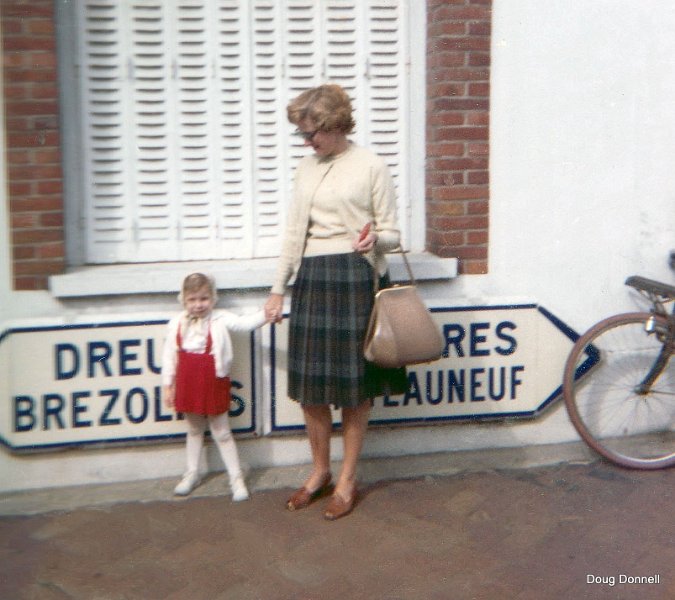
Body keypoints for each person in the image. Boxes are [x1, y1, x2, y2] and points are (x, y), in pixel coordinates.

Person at [264, 83, 407, 520]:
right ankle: (319, 472)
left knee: (353, 390)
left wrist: (373, 239)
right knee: (311, 390)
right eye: (302, 136)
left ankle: (347, 478)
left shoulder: (371, 165)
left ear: (335, 125)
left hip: (354, 277)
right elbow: (294, 232)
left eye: (313, 134)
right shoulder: (306, 168)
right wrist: (277, 288)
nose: (307, 143)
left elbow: (393, 234)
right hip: (313, 278)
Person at [162, 272, 268, 501]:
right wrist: (168, 385)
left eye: (203, 299)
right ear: (184, 300)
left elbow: (244, 323)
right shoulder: (177, 323)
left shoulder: (219, 319)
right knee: (193, 428)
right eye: (192, 300)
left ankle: (236, 478)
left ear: (212, 298)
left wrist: (266, 314)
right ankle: (192, 473)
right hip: (187, 379)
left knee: (221, 431)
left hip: (213, 378)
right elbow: (169, 356)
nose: (198, 305)